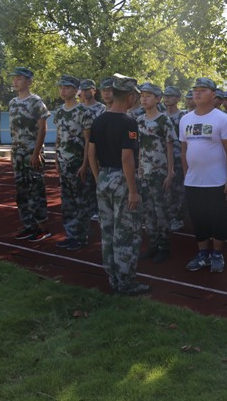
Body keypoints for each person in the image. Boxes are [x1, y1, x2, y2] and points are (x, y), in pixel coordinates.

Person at [88, 75, 150, 295]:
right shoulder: (128, 122)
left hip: (104, 178)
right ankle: (126, 282)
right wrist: (133, 190)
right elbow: (127, 158)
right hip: (122, 180)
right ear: (131, 97)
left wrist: (98, 178)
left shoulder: (99, 120)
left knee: (107, 232)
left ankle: (113, 279)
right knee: (126, 232)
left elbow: (91, 153)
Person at [180, 77, 227, 273]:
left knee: (218, 220)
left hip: (217, 181)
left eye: (202, 89)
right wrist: (186, 175)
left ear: (213, 94)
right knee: (198, 219)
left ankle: (217, 254)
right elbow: (184, 150)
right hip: (193, 182)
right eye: (195, 89)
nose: (197, 92)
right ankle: (203, 254)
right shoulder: (185, 119)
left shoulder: (223, 120)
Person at [9, 67, 51, 242]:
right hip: (17, 154)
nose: (15, 81)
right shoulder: (12, 103)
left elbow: (43, 128)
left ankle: (43, 228)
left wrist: (36, 152)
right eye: (14, 78)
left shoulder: (36, 102)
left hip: (31, 153)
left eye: (19, 78)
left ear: (29, 81)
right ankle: (29, 226)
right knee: (21, 192)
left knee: (35, 191)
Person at [52, 74, 95, 251]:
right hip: (63, 163)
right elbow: (58, 137)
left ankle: (81, 237)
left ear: (76, 91)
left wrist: (85, 165)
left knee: (81, 202)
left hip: (78, 164)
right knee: (67, 202)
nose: (63, 91)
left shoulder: (84, 112)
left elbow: (88, 141)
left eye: (67, 88)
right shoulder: (59, 111)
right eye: (61, 87)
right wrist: (56, 158)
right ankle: (71, 235)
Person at [137, 83, 176, 264]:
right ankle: (153, 244)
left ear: (157, 99)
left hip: (160, 174)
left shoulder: (163, 121)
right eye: (142, 95)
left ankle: (164, 247)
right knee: (148, 212)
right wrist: (139, 169)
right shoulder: (139, 120)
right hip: (144, 173)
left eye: (148, 96)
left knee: (161, 211)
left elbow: (170, 147)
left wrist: (170, 172)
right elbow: (140, 147)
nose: (144, 99)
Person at [79, 78, 106, 221]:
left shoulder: (102, 109)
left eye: (88, 89)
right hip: (80, 151)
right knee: (84, 183)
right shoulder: (78, 109)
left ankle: (100, 209)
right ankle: (88, 209)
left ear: (94, 91)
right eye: (83, 90)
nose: (85, 92)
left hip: (98, 151)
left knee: (98, 181)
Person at [163, 86, 187, 231]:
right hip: (163, 159)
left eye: (171, 96)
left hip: (178, 159)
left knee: (178, 190)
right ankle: (166, 217)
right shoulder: (160, 116)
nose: (167, 98)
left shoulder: (184, 117)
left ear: (178, 98)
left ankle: (177, 218)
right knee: (165, 190)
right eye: (165, 95)